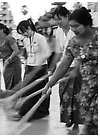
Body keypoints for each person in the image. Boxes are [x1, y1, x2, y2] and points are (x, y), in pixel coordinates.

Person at [42, 7, 98, 135]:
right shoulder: (74, 43)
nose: (73, 29)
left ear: (87, 24)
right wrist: (48, 85)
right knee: (90, 126)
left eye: (77, 26)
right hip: (87, 91)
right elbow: (63, 66)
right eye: (72, 26)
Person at [52, 6, 84, 134]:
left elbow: (82, 53)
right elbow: (59, 52)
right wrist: (52, 69)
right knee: (64, 96)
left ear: (66, 16)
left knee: (76, 97)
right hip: (64, 68)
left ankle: (76, 124)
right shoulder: (58, 32)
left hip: (77, 69)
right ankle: (68, 119)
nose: (57, 22)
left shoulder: (75, 31)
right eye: (55, 20)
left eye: (59, 19)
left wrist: (76, 68)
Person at [12, 18, 51, 121]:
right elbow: (28, 53)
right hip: (29, 66)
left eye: (24, 32)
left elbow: (47, 52)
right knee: (27, 90)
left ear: (29, 28)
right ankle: (24, 112)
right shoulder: (25, 40)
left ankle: (41, 111)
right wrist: (26, 63)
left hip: (40, 67)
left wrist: (39, 65)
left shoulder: (40, 38)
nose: (24, 36)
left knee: (39, 91)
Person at [0, 23, 21, 90]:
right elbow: (1, 51)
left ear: (2, 30)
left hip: (14, 63)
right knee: (7, 81)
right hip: (6, 64)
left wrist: (10, 58)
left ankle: (16, 97)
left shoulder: (9, 38)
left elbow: (16, 50)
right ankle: (9, 96)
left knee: (15, 82)